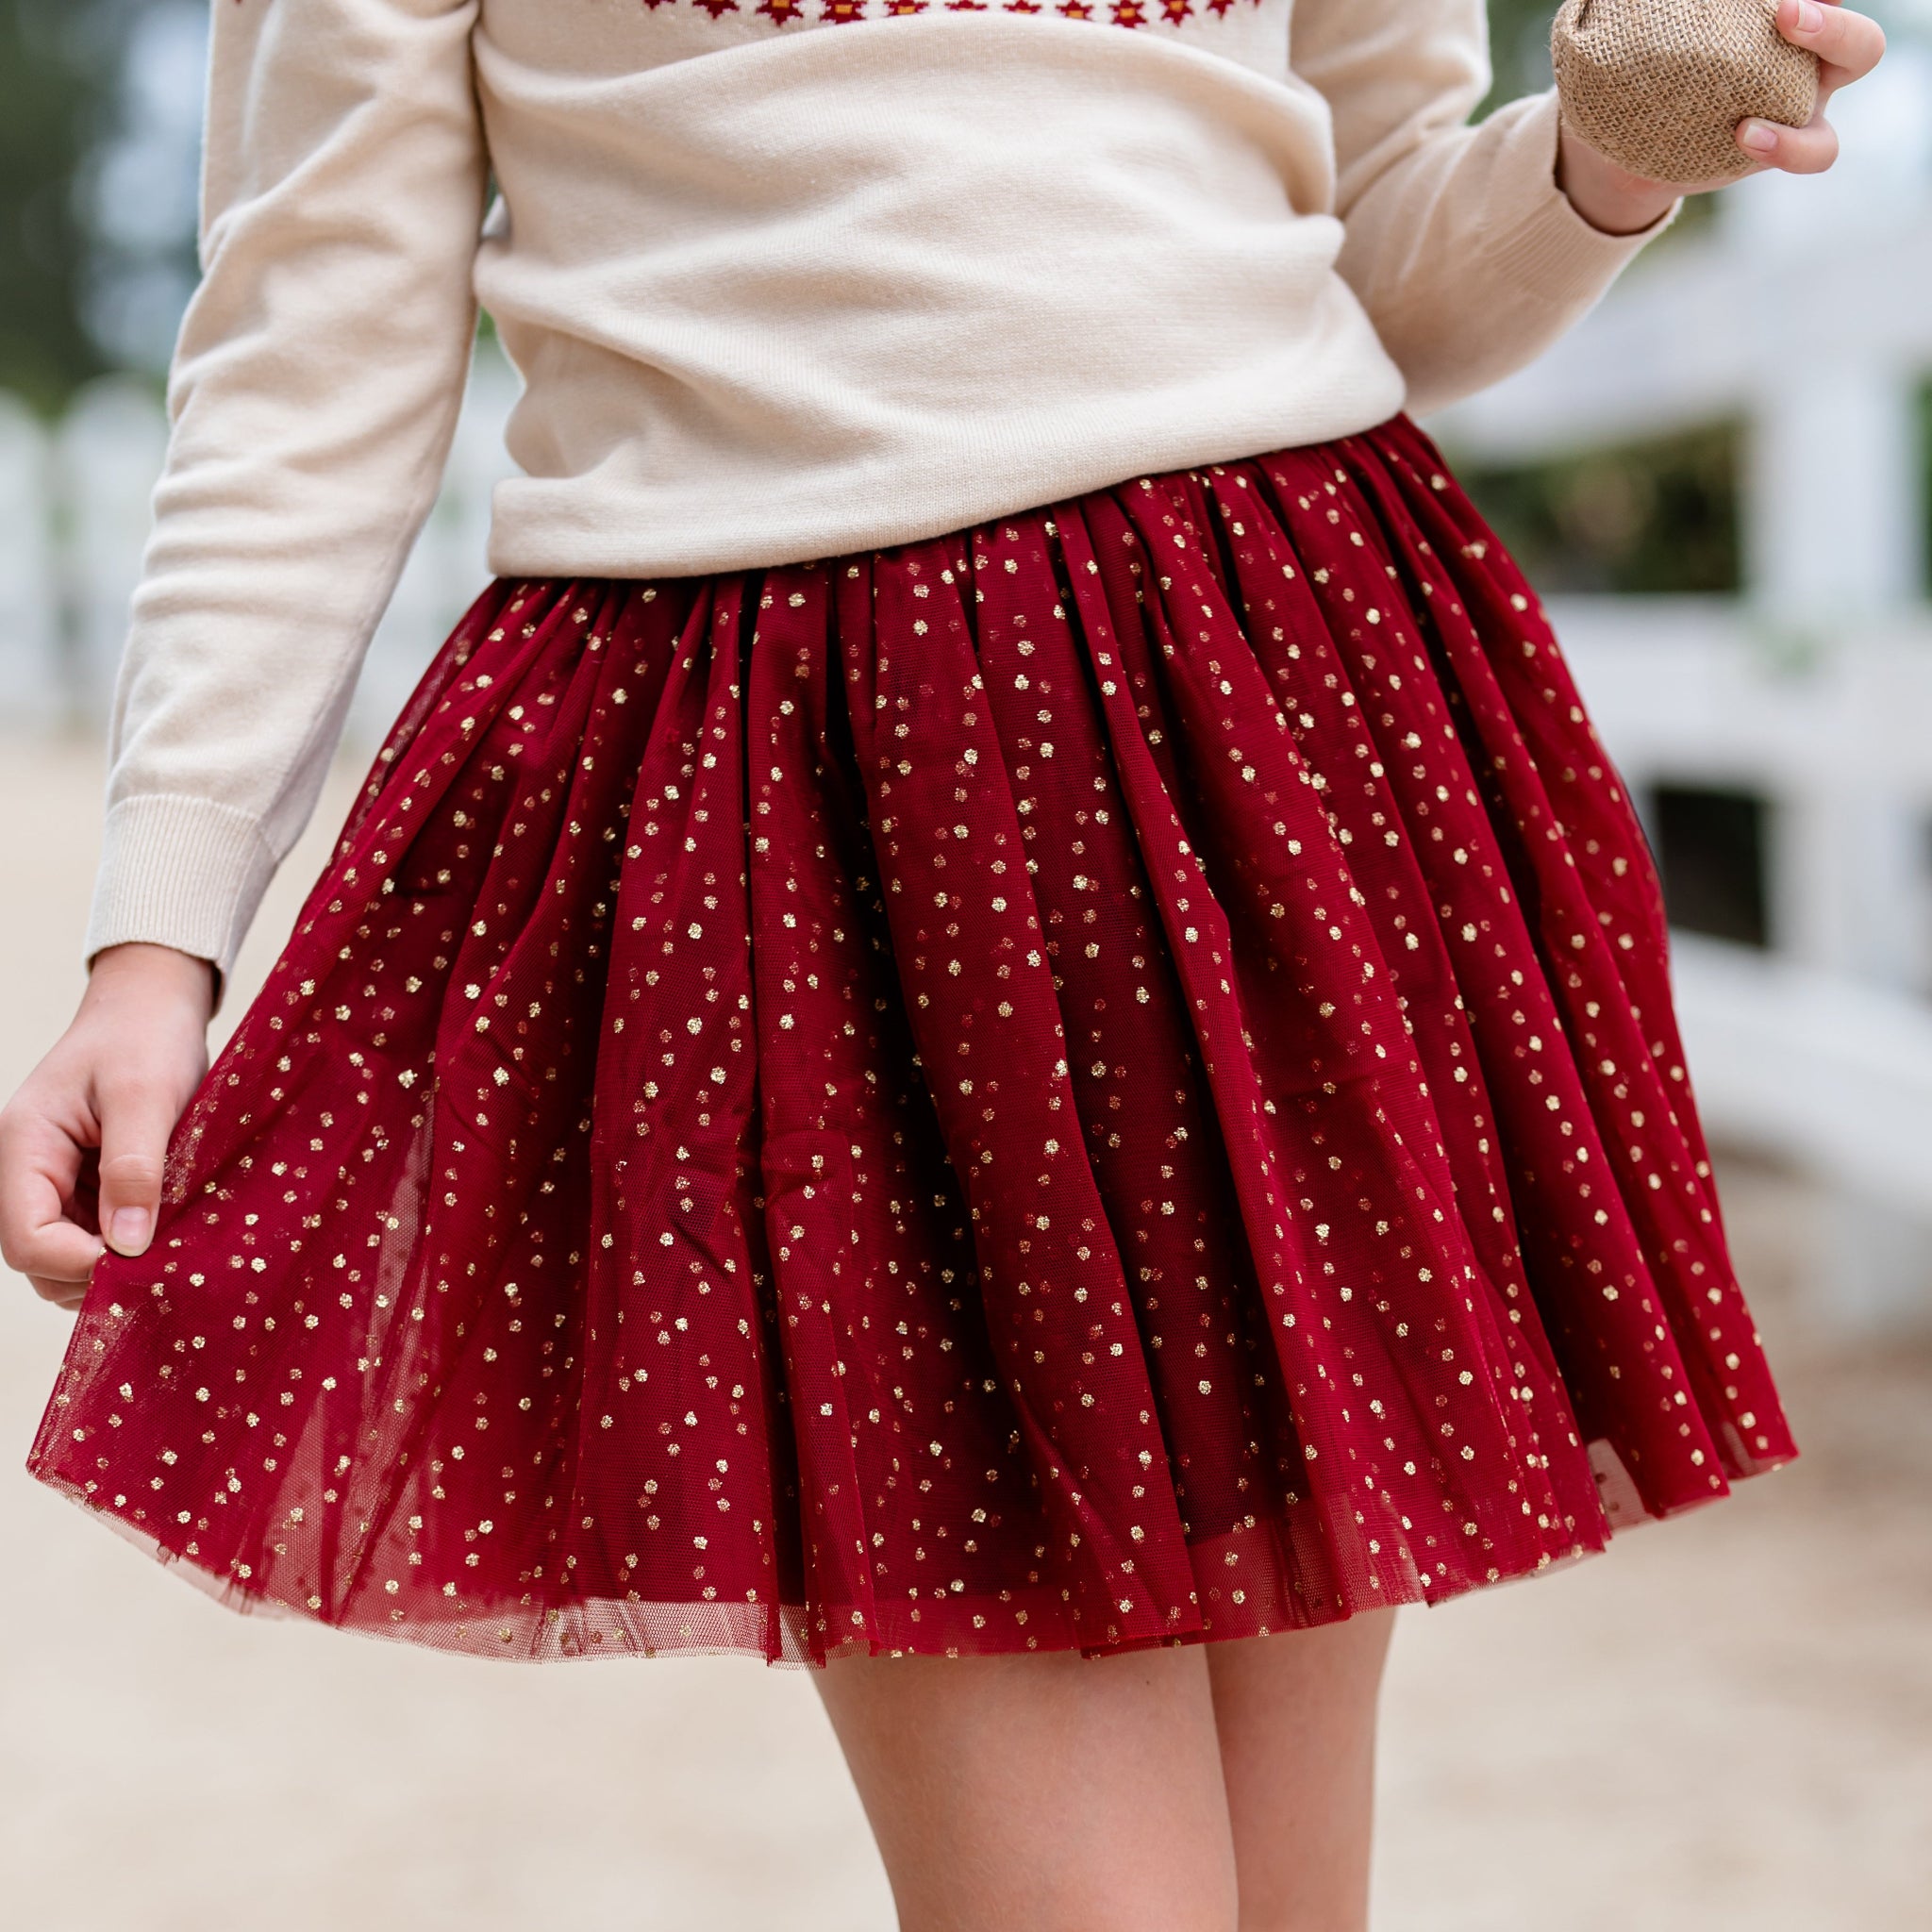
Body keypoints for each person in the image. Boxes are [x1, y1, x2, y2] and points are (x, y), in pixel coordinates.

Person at [0, 0, 1884, 1926]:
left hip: (1250, 730)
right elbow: (312, 356)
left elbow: (1379, 248)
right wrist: (156, 935)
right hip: (821, 819)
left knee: (1290, 1894)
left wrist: (1599, 158)